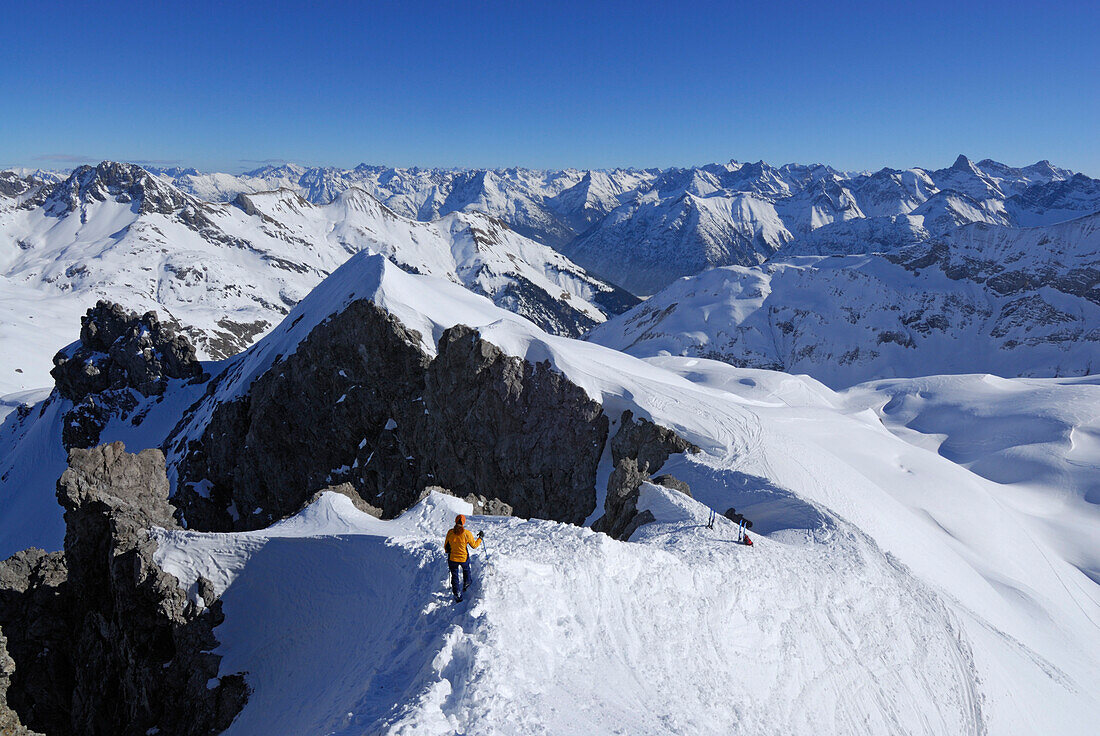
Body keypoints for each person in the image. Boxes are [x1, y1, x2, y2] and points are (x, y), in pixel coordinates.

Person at [444, 514, 483, 602]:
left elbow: (446, 546)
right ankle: (467, 583)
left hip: (452, 558)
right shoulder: (466, 533)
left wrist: (448, 551)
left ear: (455, 521)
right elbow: (474, 545)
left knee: (454, 575)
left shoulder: (450, 532)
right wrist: (480, 538)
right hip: (463, 558)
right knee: (466, 569)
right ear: (464, 522)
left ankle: (457, 593)